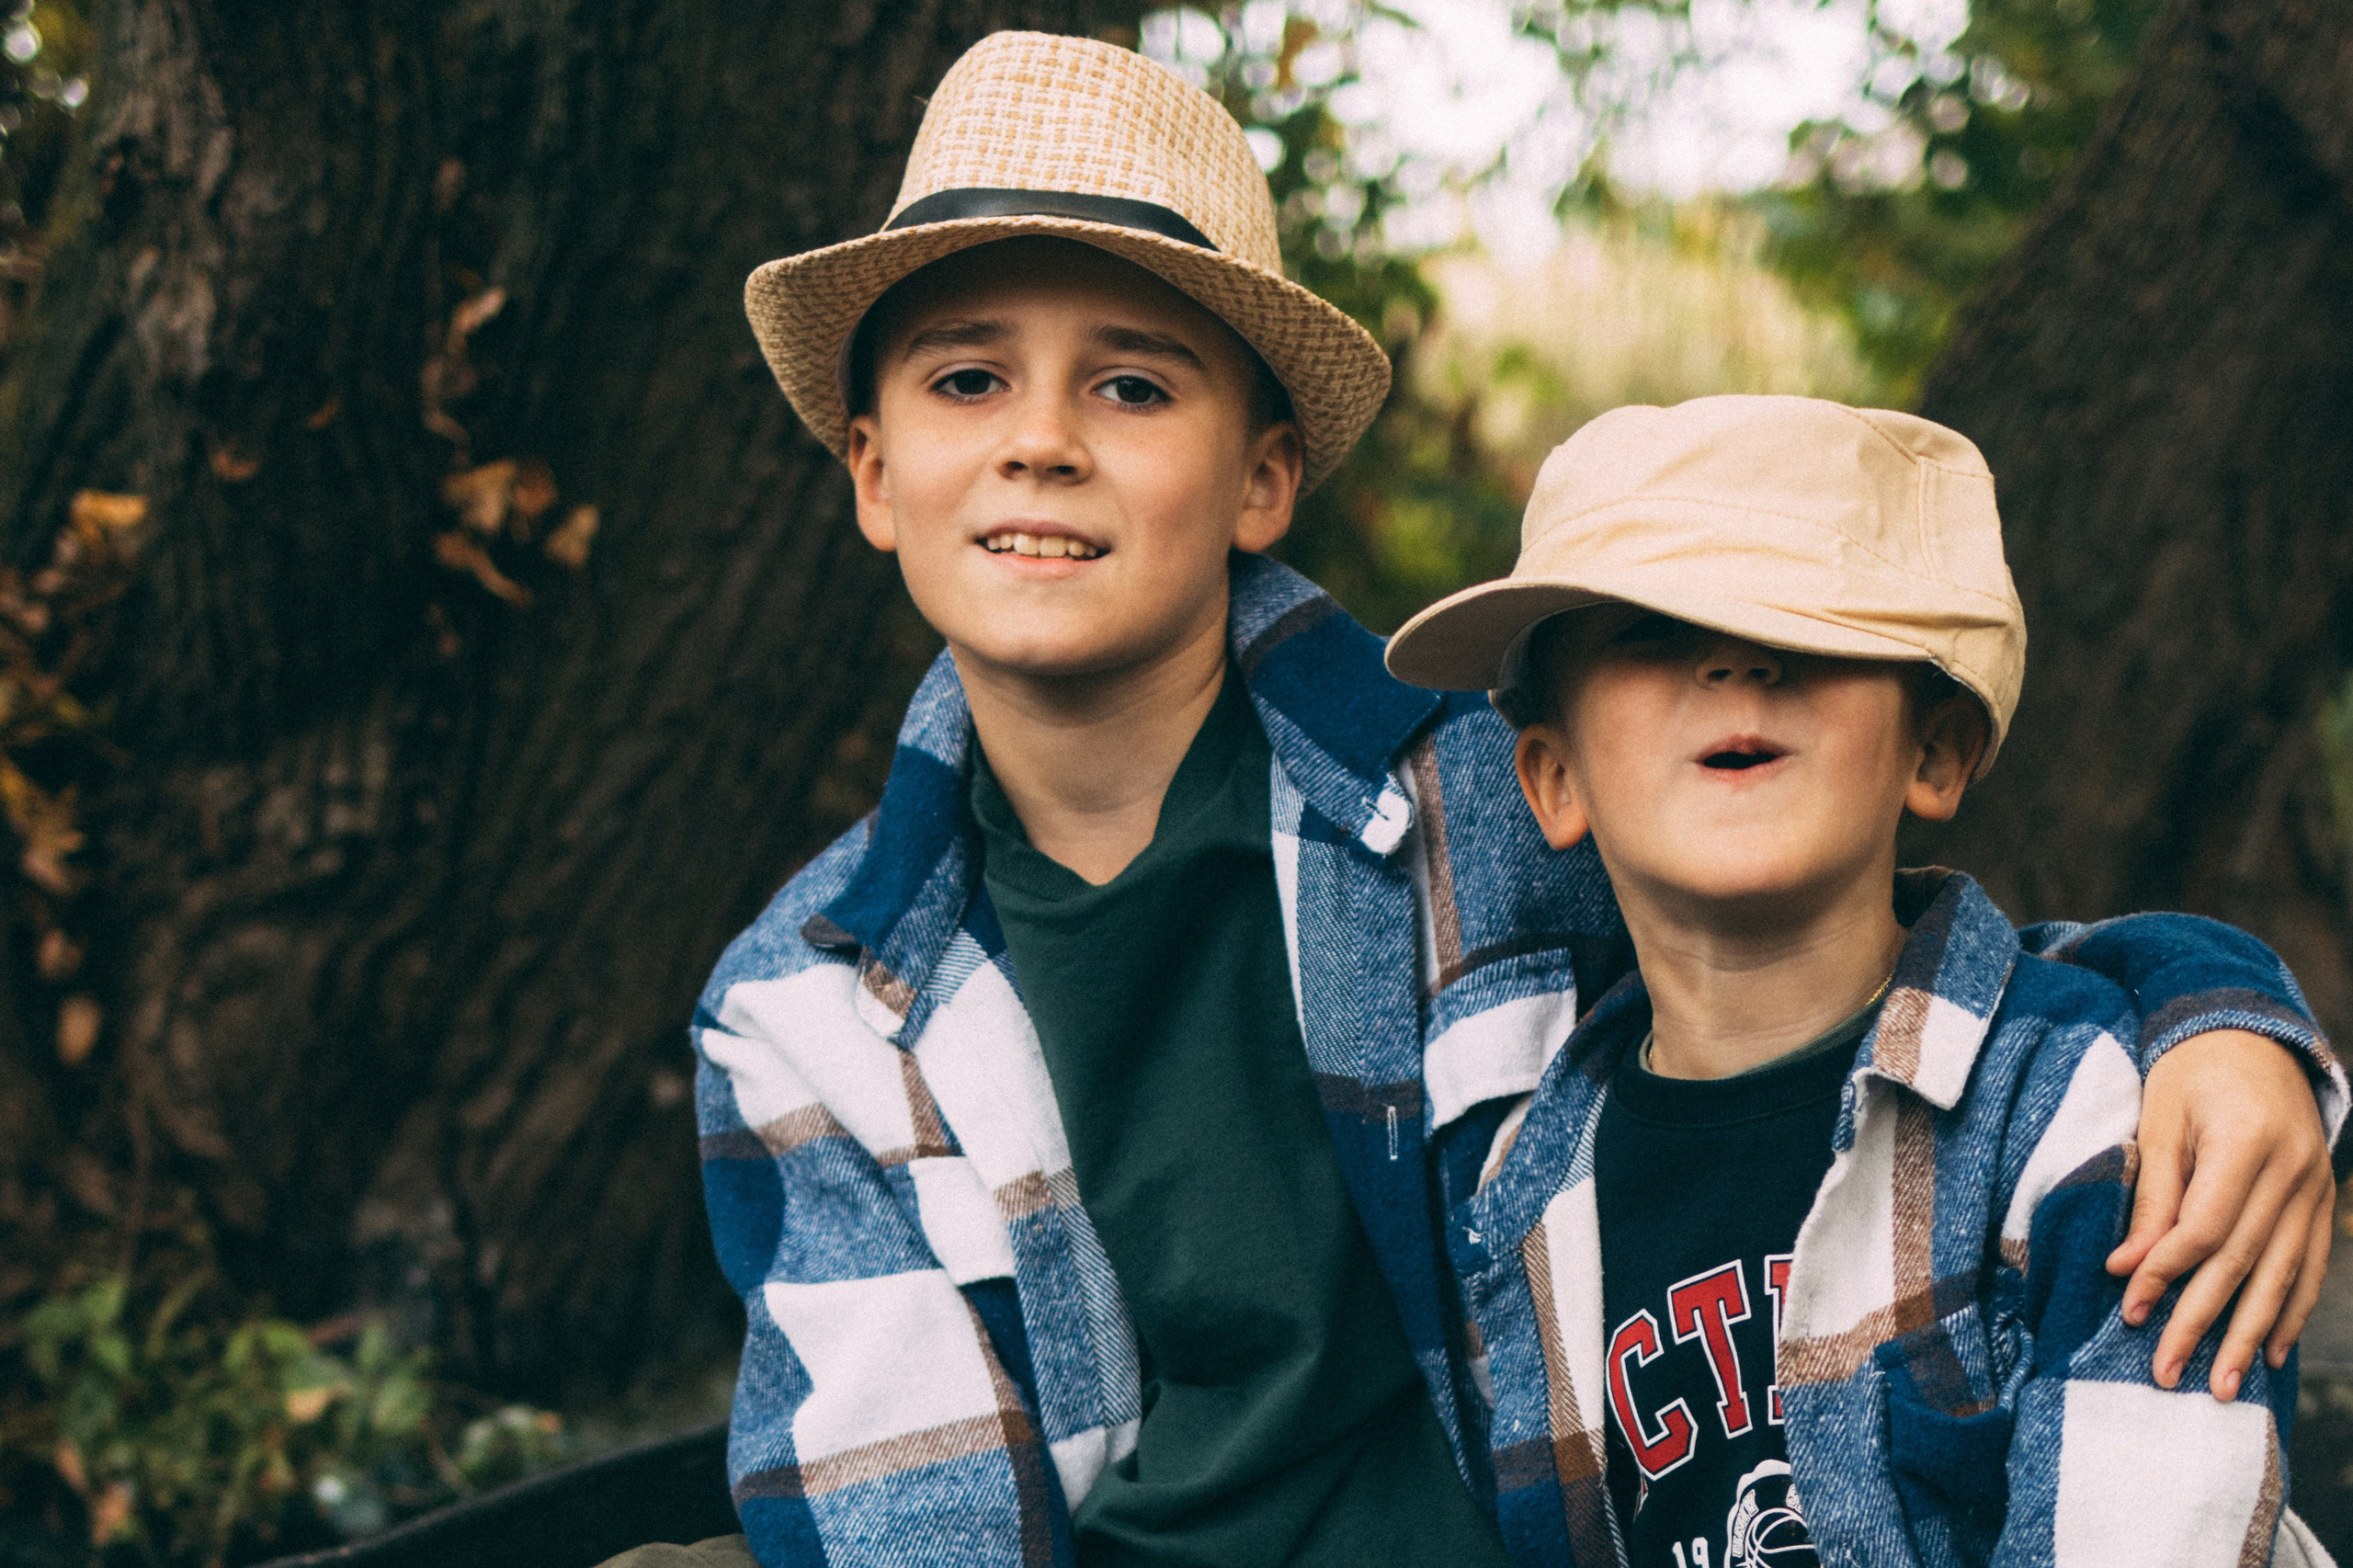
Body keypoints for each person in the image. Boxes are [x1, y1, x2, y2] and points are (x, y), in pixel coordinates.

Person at [662, 31, 2338, 1568]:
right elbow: (908, 1499)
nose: (1041, 442)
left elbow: (1889, 973)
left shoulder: (1480, 795)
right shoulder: (810, 1002)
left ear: (1262, 479)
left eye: (1134, 385)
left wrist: (2214, 1009)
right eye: (967, 382)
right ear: (874, 473)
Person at [1380, 393, 2347, 1566]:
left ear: (1933, 750)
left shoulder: (2085, 1105)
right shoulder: (1528, 1182)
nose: (1734, 659)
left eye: (1808, 623)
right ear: (1554, 780)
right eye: (1645, 625)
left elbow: (2153, 1520)